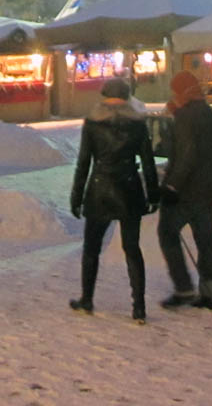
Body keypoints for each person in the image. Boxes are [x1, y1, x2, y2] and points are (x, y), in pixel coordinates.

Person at [68, 78, 159, 322]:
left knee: (92, 248)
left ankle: (87, 299)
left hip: (100, 188)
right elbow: (148, 162)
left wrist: (77, 196)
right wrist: (153, 194)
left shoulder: (93, 123)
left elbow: (84, 162)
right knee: (132, 249)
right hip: (129, 188)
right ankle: (139, 308)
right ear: (127, 97)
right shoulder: (137, 125)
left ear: (105, 96)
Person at [158, 70, 212, 310]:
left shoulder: (184, 117)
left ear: (180, 92)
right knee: (206, 242)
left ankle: (184, 287)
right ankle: (210, 294)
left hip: (186, 192)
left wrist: (172, 185)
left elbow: (186, 154)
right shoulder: (210, 114)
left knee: (167, 232)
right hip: (207, 190)